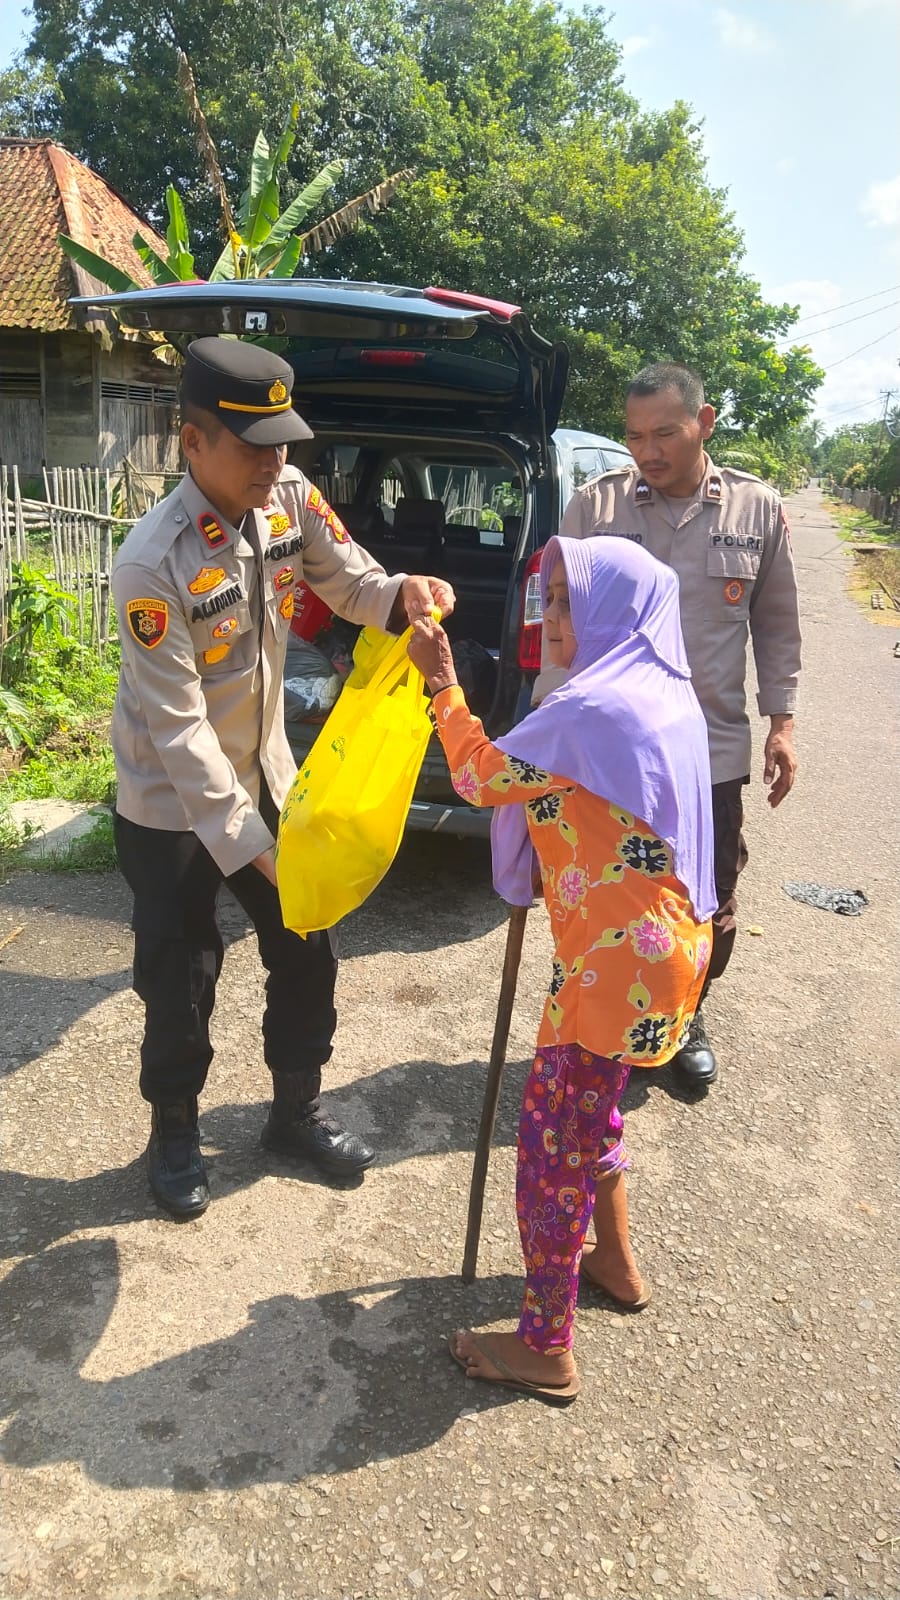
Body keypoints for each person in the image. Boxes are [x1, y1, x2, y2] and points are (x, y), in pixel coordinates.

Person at [111, 337, 454, 1220]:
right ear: (193, 444)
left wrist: (403, 593)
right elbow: (180, 733)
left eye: (284, 442)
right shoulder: (154, 563)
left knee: (308, 945)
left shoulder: (289, 499)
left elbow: (351, 582)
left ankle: (294, 1110)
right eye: (255, 444)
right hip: (170, 808)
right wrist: (255, 849)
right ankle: (176, 1131)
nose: (278, 462)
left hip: (268, 771)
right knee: (181, 971)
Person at [408, 535, 715, 1405]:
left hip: (612, 966)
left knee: (550, 1147)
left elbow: (474, 776)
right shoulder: (660, 692)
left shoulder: (591, 713)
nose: (553, 618)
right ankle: (613, 1262)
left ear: (619, 610)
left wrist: (441, 682)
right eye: (549, 598)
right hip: (655, 953)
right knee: (591, 1115)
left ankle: (545, 1344)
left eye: (572, 600)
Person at [545, 362, 801, 1089]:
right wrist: (551, 722)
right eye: (634, 437)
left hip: (708, 753)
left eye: (665, 433)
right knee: (606, 899)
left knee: (709, 898)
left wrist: (781, 723)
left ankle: (684, 1015)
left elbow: (776, 626)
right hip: (609, 758)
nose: (647, 452)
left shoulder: (756, 510)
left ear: (705, 422)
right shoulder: (595, 508)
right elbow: (556, 620)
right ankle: (601, 1024)